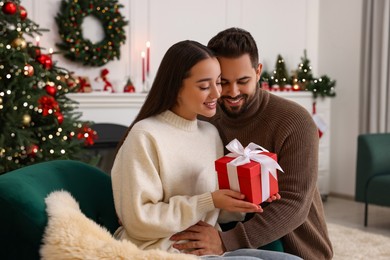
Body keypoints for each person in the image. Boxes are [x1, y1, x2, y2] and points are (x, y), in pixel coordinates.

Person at [111, 40, 301, 260]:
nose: (217, 94)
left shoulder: (210, 133)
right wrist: (208, 201)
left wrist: (253, 198)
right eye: (204, 86)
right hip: (162, 252)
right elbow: (138, 221)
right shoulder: (145, 135)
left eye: (218, 83)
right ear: (175, 88)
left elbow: (216, 210)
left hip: (208, 249)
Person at [169, 28, 334, 260]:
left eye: (243, 81)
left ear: (258, 72)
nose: (233, 92)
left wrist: (226, 242)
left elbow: (294, 203)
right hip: (222, 233)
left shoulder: (295, 121)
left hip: (294, 246)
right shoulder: (206, 119)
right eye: (223, 82)